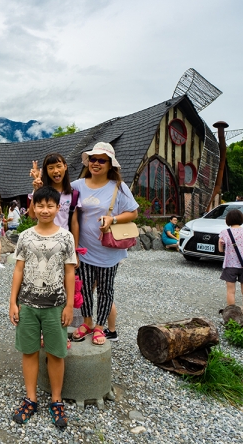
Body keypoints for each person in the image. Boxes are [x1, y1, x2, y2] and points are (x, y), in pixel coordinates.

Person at [9, 186, 76, 430]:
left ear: (58, 208)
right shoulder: (26, 236)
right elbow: (18, 269)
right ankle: (31, 398)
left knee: (56, 353)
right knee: (29, 351)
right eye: (40, 206)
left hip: (55, 305)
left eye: (50, 206)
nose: (45, 210)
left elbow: (70, 271)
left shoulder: (66, 237)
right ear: (33, 208)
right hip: (27, 304)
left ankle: (56, 400)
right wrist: (12, 302)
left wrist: (69, 304)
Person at [70, 142, 139, 345]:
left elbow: (133, 212)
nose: (96, 163)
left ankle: (100, 327)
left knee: (106, 290)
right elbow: (57, 198)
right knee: (83, 289)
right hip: (83, 249)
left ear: (110, 165)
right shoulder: (77, 185)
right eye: (93, 159)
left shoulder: (118, 187)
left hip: (109, 251)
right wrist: (39, 185)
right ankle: (87, 323)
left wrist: (113, 219)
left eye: (102, 160)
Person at [218, 209, 243, 308]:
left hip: (230, 265)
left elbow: (220, 250)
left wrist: (221, 244)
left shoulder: (224, 233)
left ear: (228, 220)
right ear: (241, 219)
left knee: (231, 292)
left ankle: (232, 315)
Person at [28, 153, 77, 230]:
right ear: (46, 171)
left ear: (65, 166)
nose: (55, 171)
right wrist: (37, 190)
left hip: (63, 238)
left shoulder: (72, 194)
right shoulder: (42, 190)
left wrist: (75, 242)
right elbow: (32, 215)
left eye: (58, 166)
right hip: (44, 237)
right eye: (51, 168)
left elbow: (74, 223)